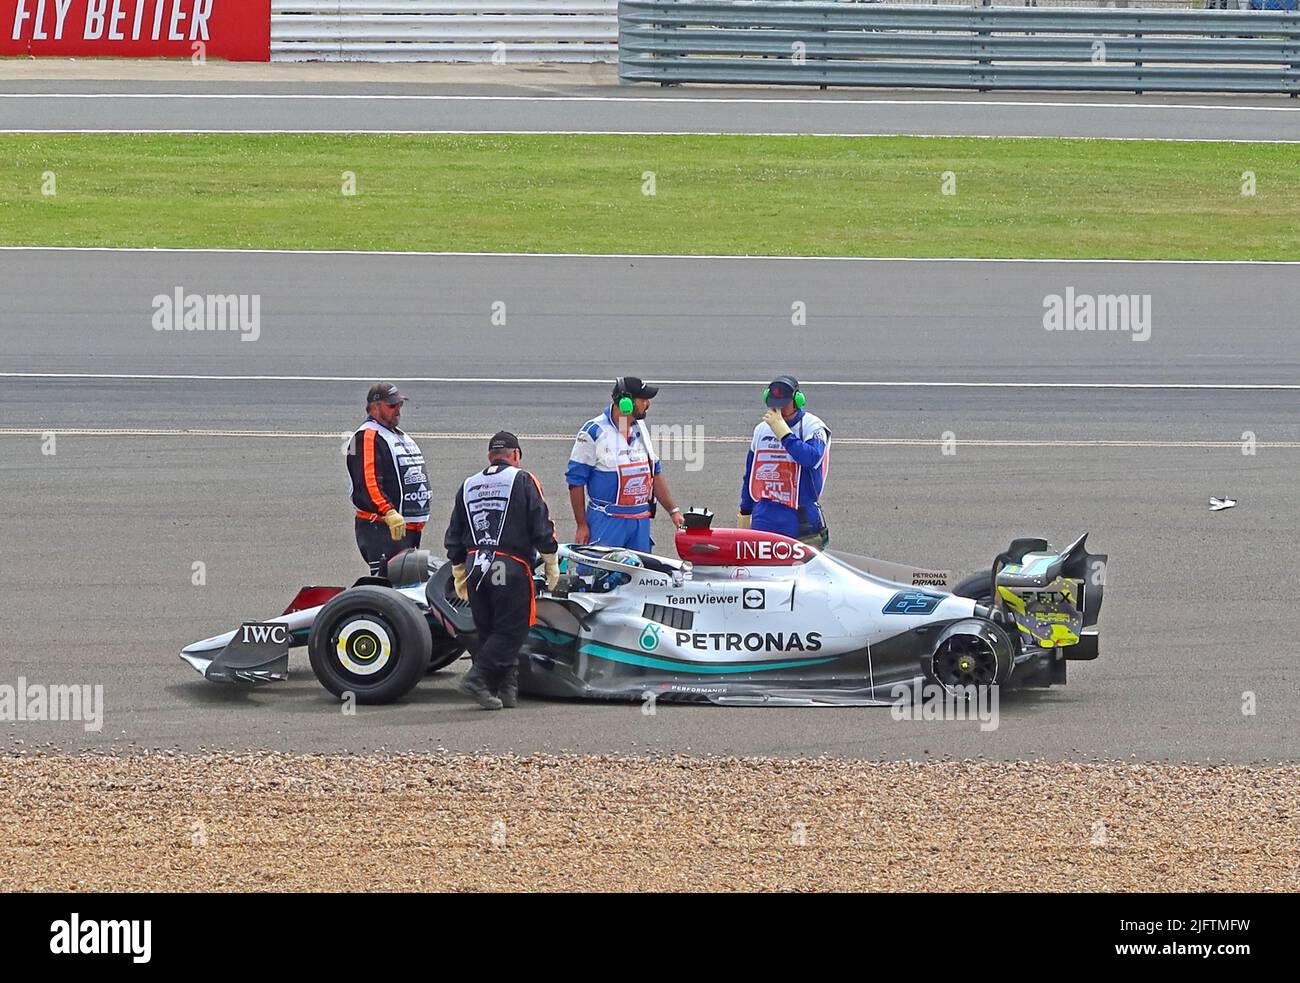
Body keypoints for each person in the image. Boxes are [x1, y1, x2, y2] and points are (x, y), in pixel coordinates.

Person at [445, 431, 560, 710]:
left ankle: (504, 688)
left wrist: (458, 568)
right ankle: (477, 679)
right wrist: (550, 559)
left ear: (490, 456)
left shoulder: (468, 484)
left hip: (475, 566)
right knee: (512, 630)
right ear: (516, 455)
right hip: (510, 564)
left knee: (489, 630)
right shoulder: (523, 479)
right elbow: (540, 523)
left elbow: (455, 533)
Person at [565, 376, 686, 552]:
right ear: (625, 403)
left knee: (641, 568)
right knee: (601, 568)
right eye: (643, 399)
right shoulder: (594, 432)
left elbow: (654, 471)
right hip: (607, 522)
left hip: (639, 523)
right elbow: (575, 481)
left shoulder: (640, 429)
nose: (648, 404)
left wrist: (673, 511)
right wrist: (581, 524)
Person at [346, 382, 431, 576]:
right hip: (382, 529)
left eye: (400, 404)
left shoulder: (394, 435)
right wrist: (388, 512)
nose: (398, 410)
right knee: (389, 585)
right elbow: (368, 482)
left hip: (404, 531)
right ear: (375, 407)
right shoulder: (367, 437)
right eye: (392, 406)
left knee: (407, 585)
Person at [738, 375, 832, 545]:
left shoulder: (813, 427)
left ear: (797, 400)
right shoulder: (761, 430)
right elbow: (751, 473)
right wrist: (745, 512)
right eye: (774, 403)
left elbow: (811, 459)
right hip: (765, 514)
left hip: (800, 516)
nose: (779, 409)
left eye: (784, 404)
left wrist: (784, 433)